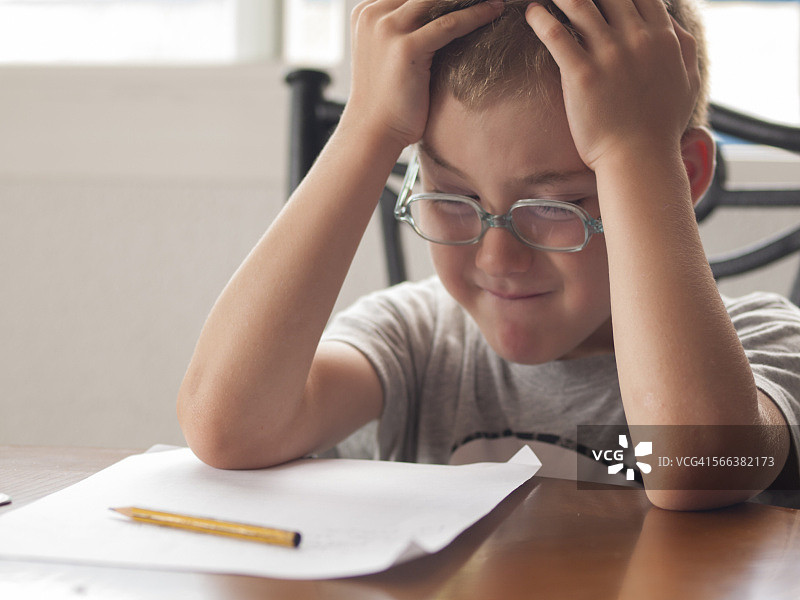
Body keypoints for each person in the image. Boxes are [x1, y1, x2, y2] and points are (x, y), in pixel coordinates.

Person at [177, 0, 800, 510]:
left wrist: (637, 151)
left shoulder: (761, 348)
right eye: (451, 197)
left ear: (679, 178)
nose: (498, 258)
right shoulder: (416, 341)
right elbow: (227, 426)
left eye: (555, 206)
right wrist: (367, 126)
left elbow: (692, 464)